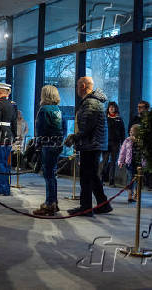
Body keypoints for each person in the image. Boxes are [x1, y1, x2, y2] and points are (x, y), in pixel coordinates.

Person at [65, 77, 112, 216]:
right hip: (93, 144)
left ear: (83, 86)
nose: (77, 89)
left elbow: (87, 127)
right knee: (92, 176)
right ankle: (103, 205)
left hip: (91, 145)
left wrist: (73, 137)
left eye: (77, 86)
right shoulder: (93, 101)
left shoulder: (90, 102)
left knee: (86, 177)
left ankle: (85, 207)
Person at [33, 85, 64, 216]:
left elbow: (41, 129)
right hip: (57, 144)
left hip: (48, 144)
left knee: (48, 175)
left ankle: (49, 204)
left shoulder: (44, 109)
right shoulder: (57, 109)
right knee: (53, 174)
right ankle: (54, 202)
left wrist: (37, 144)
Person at [0, 82, 17, 196]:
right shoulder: (13, 105)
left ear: (1, 92)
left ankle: (1, 189)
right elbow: (14, 122)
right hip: (9, 135)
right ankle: (6, 187)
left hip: (0, 136)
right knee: (6, 164)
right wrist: (14, 136)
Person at [101, 102, 125, 187]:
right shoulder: (104, 118)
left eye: (113, 107)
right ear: (108, 108)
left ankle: (111, 181)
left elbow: (122, 132)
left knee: (113, 163)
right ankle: (101, 180)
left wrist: (123, 143)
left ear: (116, 108)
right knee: (104, 162)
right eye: (110, 107)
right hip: (106, 143)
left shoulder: (119, 119)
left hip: (116, 143)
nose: (111, 108)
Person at [118, 124, 142, 203]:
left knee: (139, 180)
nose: (130, 133)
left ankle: (136, 195)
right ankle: (130, 195)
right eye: (130, 131)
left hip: (139, 164)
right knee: (130, 179)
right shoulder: (127, 140)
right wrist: (121, 161)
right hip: (130, 162)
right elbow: (122, 152)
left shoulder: (141, 140)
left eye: (132, 131)